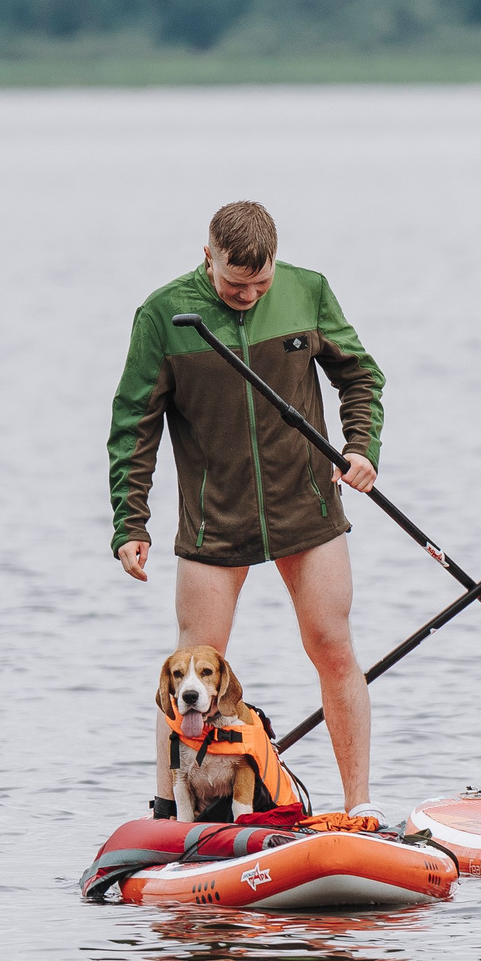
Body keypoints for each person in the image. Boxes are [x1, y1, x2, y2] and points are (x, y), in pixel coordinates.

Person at [108, 200, 386, 815]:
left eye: (261, 283)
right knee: (189, 671)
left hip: (306, 506)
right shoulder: (162, 314)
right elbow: (134, 422)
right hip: (214, 517)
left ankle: (360, 806)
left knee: (333, 646)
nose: (249, 294)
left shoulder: (307, 292)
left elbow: (361, 376)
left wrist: (360, 449)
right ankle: (166, 812)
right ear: (207, 256)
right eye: (235, 284)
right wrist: (131, 521)